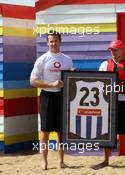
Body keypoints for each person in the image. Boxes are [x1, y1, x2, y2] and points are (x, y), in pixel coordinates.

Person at [30, 31, 73, 170]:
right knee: (45, 131)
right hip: (47, 96)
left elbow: (71, 77)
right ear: (47, 43)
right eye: (51, 41)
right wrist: (51, 84)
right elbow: (33, 81)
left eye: (56, 40)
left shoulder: (67, 59)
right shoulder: (42, 59)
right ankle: (44, 161)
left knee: (61, 131)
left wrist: (72, 75)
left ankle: (61, 161)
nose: (53, 43)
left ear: (60, 41)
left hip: (62, 97)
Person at [95, 39, 125, 168]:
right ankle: (106, 160)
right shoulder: (104, 65)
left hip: (124, 101)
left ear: (122, 50)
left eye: (115, 50)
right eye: (111, 50)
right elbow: (99, 83)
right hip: (108, 102)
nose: (113, 52)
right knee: (107, 132)